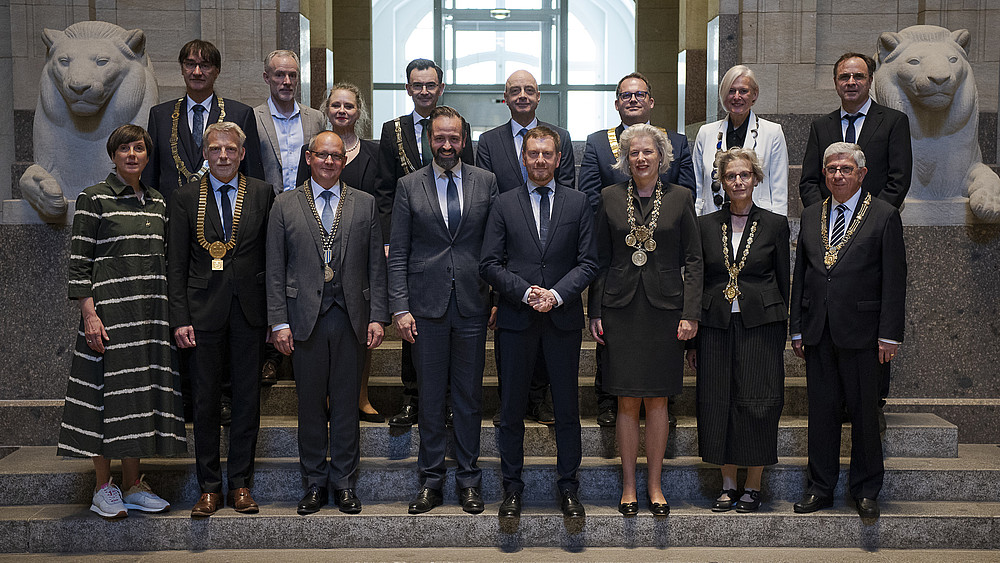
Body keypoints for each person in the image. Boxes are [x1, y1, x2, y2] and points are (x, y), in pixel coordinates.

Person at [58, 124, 186, 519]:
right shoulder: (93, 199)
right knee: (103, 399)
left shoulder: (159, 202)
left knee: (139, 400)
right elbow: (79, 263)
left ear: (148, 157)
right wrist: (89, 313)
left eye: (139, 149)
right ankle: (103, 487)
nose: (132, 154)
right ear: (113, 155)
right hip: (109, 317)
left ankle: (132, 486)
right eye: (125, 149)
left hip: (149, 319)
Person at [266, 130, 388, 516]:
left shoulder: (365, 204)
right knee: (311, 407)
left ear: (344, 161)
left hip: (351, 318)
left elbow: (376, 268)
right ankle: (315, 483)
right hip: (304, 320)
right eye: (323, 155)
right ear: (308, 157)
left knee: (348, 406)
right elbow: (273, 269)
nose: (330, 162)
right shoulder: (284, 205)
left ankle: (344, 483)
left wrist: (378, 316)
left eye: (337, 156)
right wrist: (278, 322)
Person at [481, 126, 597, 519]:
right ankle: (512, 489)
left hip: (562, 320)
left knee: (566, 409)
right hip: (516, 319)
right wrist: (527, 292)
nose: (541, 160)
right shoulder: (503, 204)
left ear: (559, 157)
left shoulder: (579, 203)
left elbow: (589, 262)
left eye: (548, 153)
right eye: (534, 154)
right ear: (523, 158)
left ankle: (569, 489)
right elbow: (489, 263)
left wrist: (557, 294)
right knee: (511, 410)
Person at [388, 106, 498, 515]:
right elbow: (397, 253)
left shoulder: (486, 182)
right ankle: (431, 481)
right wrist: (399, 308)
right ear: (428, 140)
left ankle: (469, 480)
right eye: (439, 138)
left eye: (454, 138)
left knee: (469, 398)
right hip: (425, 308)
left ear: (464, 140)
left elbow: (496, 248)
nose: (447, 145)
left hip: (472, 305)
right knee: (431, 398)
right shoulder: (407, 186)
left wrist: (497, 298)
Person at [588, 124, 702, 516]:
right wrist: (595, 310)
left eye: (648, 152)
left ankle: (655, 486)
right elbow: (599, 260)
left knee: (657, 400)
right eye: (634, 152)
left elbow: (694, 259)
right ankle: (628, 487)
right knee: (626, 400)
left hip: (666, 310)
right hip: (620, 309)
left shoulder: (681, 197)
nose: (640, 158)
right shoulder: (608, 197)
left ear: (661, 156)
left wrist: (691, 313)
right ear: (625, 158)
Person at [791, 142, 907, 523]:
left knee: (864, 416)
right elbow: (802, 277)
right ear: (823, 174)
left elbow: (894, 280)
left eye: (845, 169)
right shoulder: (811, 215)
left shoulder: (884, 215)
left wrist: (890, 334)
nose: (838, 175)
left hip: (865, 333)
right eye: (831, 169)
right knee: (821, 415)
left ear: (861, 173)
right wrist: (797, 328)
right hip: (818, 331)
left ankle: (866, 489)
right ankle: (820, 487)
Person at [799, 52, 911, 432]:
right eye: (844, 76)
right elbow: (810, 181)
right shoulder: (821, 125)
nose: (851, 82)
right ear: (835, 82)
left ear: (869, 80)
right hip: (827, 233)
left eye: (858, 76)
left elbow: (899, 178)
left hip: (874, 236)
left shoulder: (892, 122)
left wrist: (870, 219)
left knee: (872, 313)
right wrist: (827, 218)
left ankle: (871, 401)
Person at [167, 122, 274, 518]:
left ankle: (241, 484)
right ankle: (209, 488)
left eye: (231, 149)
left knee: (247, 400)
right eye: (215, 149)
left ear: (242, 153)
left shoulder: (262, 194)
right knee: (207, 402)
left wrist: (273, 315)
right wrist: (179, 317)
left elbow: (272, 258)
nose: (224, 156)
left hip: (250, 311)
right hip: (201, 313)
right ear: (205, 154)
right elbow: (175, 264)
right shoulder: (183, 198)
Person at [579, 72, 696, 427]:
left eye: (639, 94)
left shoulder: (675, 140)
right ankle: (607, 400)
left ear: (651, 101)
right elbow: (588, 196)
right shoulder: (598, 142)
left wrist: (654, 211)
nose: (632, 100)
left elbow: (686, 189)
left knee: (661, 349)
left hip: (662, 252)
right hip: (617, 249)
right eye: (625, 95)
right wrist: (624, 213)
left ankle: (664, 401)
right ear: (616, 102)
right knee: (613, 345)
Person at [686, 147, 790, 513]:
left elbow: (783, 280)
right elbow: (698, 282)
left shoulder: (775, 224)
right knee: (718, 402)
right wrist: (693, 340)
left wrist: (785, 331)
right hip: (715, 324)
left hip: (760, 325)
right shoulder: (705, 225)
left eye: (744, 175)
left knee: (757, 403)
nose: (738, 181)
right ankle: (728, 483)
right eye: (731, 176)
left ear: (756, 178)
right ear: (722, 182)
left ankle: (754, 484)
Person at [375, 59, 474, 429]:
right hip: (412, 242)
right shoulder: (393, 130)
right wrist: (388, 239)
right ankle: (413, 397)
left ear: (441, 87)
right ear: (408, 89)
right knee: (411, 327)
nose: (424, 91)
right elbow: (385, 190)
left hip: (450, 242)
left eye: (430, 85)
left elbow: (471, 182)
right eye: (417, 85)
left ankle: (447, 400)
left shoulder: (456, 128)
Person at [475, 69, 576, 425]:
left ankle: (541, 400)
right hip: (509, 258)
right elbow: (488, 204)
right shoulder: (488, 142)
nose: (522, 95)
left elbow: (568, 197)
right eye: (514, 90)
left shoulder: (560, 137)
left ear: (538, 97)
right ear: (505, 97)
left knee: (549, 343)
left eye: (529, 90)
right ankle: (512, 402)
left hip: (554, 257)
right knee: (513, 344)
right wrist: (494, 292)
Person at [294, 83, 384, 422]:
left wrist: (384, 243)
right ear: (326, 110)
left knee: (361, 326)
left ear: (359, 112)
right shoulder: (314, 149)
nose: (342, 111)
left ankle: (360, 396)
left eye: (349, 105)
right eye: (336, 105)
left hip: (362, 244)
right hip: (322, 247)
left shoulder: (374, 152)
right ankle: (329, 397)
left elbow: (383, 199)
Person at [253, 49, 327, 387]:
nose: (286, 81)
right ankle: (269, 357)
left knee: (302, 279)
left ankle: (303, 354)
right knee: (271, 278)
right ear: (266, 77)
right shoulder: (251, 118)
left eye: (293, 75)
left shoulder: (315, 119)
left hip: (305, 214)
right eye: (279, 75)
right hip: (264, 213)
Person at [144, 39, 264, 202]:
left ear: (217, 71)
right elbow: (150, 174)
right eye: (190, 64)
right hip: (171, 213)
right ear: (182, 69)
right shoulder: (160, 115)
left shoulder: (240, 114)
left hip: (225, 213)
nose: (197, 72)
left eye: (205, 65)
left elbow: (253, 175)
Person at [692, 65, 788, 216]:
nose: (737, 97)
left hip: (758, 221)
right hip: (712, 220)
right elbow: (697, 187)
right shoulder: (706, 133)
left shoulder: (772, 133)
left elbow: (779, 191)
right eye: (731, 91)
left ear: (754, 95)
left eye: (743, 91)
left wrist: (778, 227)